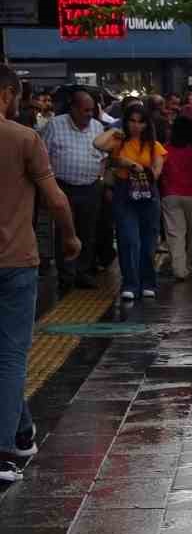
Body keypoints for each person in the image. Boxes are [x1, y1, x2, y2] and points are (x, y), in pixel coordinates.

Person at [0, 66, 80, 485]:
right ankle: (3, 450)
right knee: (11, 355)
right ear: (6, 93)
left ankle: (21, 430)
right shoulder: (23, 138)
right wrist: (70, 238)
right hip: (15, 261)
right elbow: (55, 198)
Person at [94, 103, 165, 301]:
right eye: (131, 121)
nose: (136, 126)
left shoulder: (154, 147)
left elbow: (157, 172)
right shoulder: (118, 142)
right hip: (124, 192)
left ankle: (148, 283)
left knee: (148, 242)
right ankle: (130, 284)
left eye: (140, 122)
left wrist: (140, 169)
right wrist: (115, 131)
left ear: (146, 124)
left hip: (147, 194)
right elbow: (98, 144)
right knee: (128, 240)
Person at [40, 90, 107, 293]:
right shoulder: (55, 125)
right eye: (85, 110)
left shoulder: (97, 126)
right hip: (64, 187)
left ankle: (83, 272)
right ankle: (66, 275)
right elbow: (44, 155)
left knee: (88, 231)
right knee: (65, 231)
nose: (89, 114)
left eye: (92, 110)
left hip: (90, 187)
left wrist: (100, 177)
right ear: (74, 109)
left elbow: (104, 156)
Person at [160, 116, 192, 280]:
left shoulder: (165, 150)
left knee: (175, 233)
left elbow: (161, 172)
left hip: (170, 194)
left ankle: (179, 269)